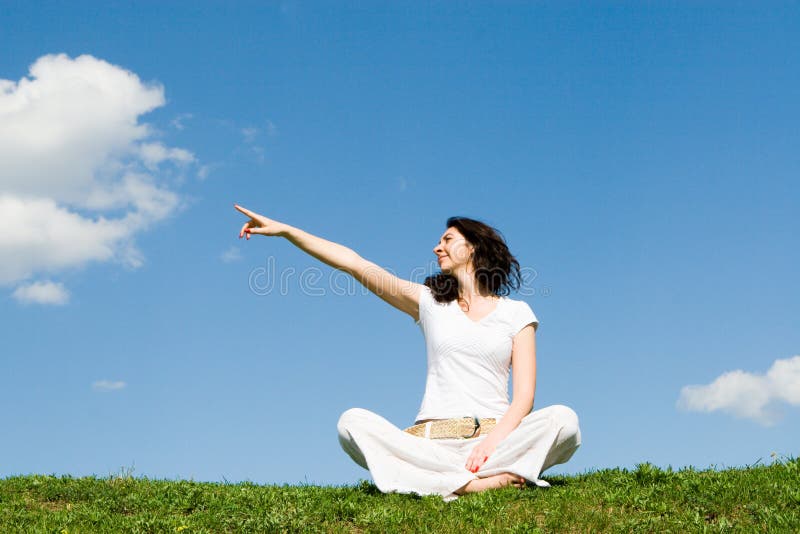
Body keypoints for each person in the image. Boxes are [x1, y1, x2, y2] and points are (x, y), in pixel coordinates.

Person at [235, 204, 581, 501]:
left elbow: (524, 398)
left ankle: (449, 481)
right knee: (351, 423)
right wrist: (286, 232)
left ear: (473, 248)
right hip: (429, 447)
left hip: (494, 445)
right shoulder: (428, 302)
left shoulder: (516, 313)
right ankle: (474, 487)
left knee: (564, 421)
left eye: (447, 240)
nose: (436, 247)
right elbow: (355, 264)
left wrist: (491, 445)